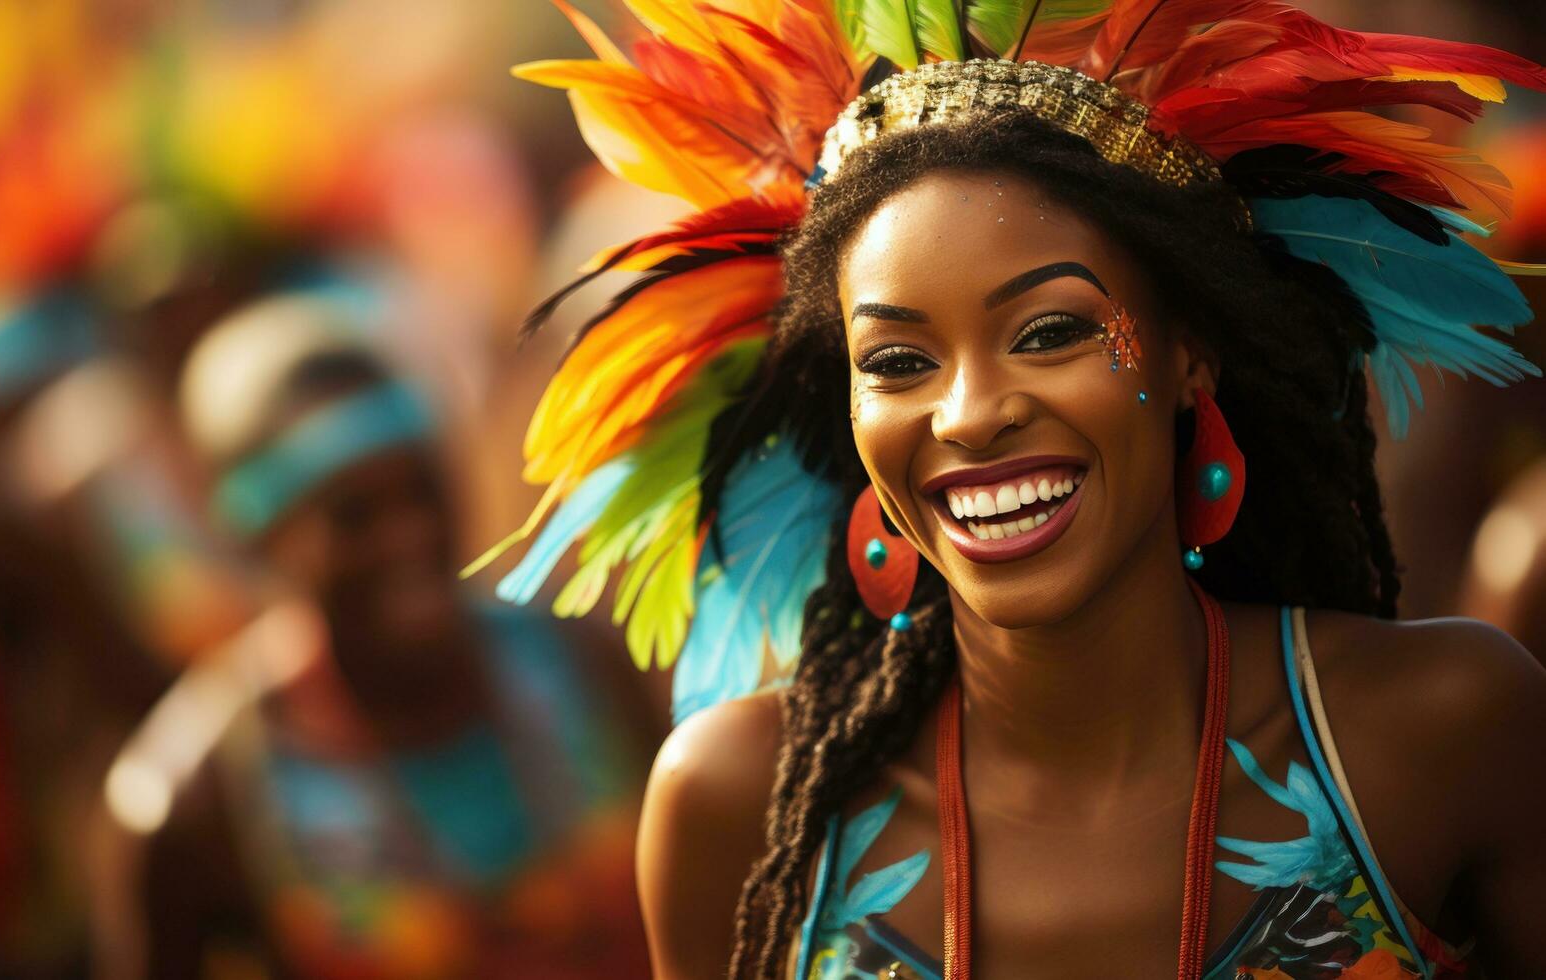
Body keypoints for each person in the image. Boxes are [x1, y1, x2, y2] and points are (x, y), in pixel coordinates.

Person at [482, 1, 1546, 977]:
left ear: (1190, 355)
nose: (968, 413)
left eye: (1050, 332)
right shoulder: (741, 808)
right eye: (898, 361)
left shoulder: (1440, 732)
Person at [103, 291, 655, 978]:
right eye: (353, 515)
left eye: (421, 491)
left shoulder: (583, 665)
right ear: (261, 538)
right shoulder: (199, 798)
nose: (409, 536)